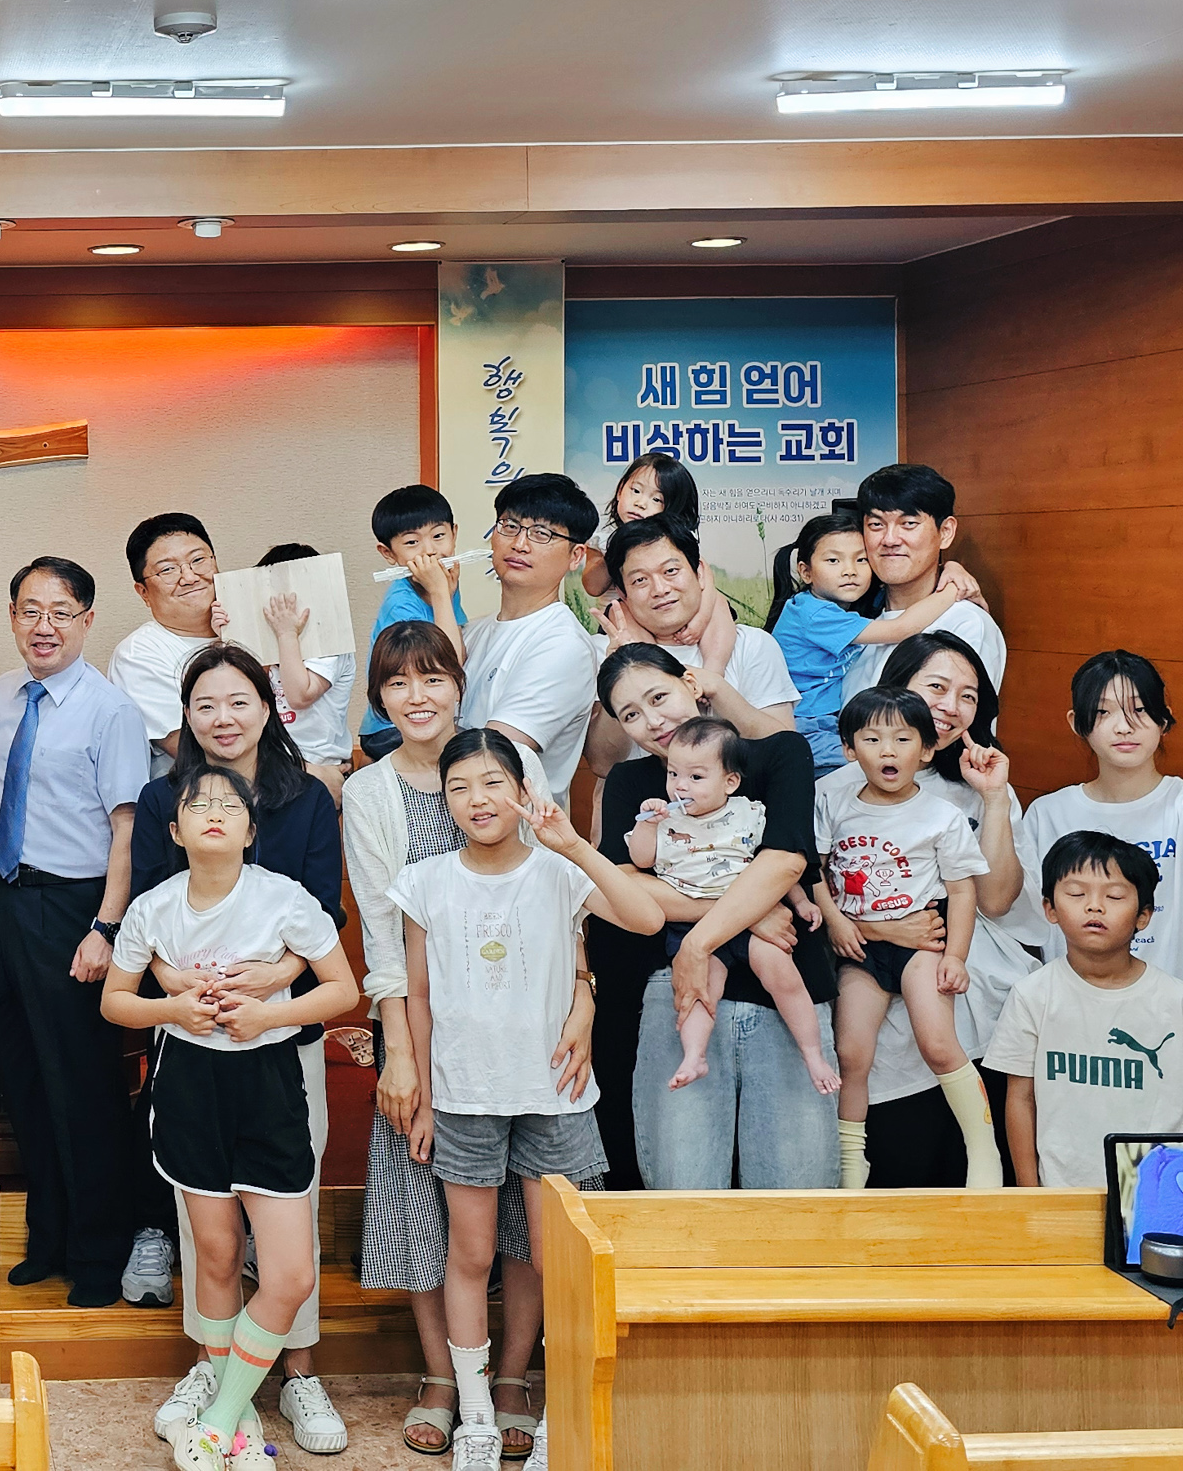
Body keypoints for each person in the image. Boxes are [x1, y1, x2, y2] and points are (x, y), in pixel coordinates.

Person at [346, 621, 595, 1456]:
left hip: (532, 1038)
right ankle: (447, 1379)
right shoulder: (372, 792)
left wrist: (586, 996)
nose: (417, 696)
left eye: (433, 678)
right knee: (436, 1216)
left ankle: (515, 1375)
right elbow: (385, 936)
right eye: (397, 683)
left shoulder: (508, 767)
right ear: (379, 699)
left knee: (531, 1228)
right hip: (426, 1036)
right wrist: (401, 1055)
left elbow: (567, 906)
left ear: (461, 684)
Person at [393, 730, 662, 1471]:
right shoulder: (425, 882)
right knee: (471, 1253)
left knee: (555, 1260)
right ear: (444, 802)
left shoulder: (558, 870)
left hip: (555, 1092)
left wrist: (572, 844)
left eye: (492, 783)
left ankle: (556, 1416)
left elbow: (645, 918)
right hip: (464, 1094)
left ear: (522, 790)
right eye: (458, 788)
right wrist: (425, 1099)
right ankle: (477, 1416)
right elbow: (418, 996)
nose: (477, 800)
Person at [107, 762, 358, 1471]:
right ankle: (239, 1419)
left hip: (269, 1083)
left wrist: (268, 1016)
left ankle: (216, 1420)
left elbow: (342, 989)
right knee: (215, 1255)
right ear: (175, 830)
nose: (213, 812)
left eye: (230, 805)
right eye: (197, 805)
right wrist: (173, 1009)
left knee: (290, 1275)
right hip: (189, 1084)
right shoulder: (154, 907)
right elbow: (115, 1002)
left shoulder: (285, 898)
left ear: (251, 831)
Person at [589, 645, 849, 1195]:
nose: (652, 720)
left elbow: (785, 862)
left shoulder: (778, 755)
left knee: (795, 1194)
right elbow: (624, 888)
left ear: (691, 684)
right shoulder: (632, 785)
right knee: (683, 1190)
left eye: (659, 697)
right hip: (679, 995)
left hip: (783, 985)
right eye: (631, 713)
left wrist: (696, 943)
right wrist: (751, 913)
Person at [0, 555, 151, 1309]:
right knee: (22, 1080)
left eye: (61, 612)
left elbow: (128, 830)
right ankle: (47, 1237)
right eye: (30, 610)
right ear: (13, 617)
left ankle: (99, 1254)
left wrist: (106, 926)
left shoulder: (111, 711)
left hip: (71, 908)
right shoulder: (1, 694)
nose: (43, 626)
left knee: (82, 1086)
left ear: (87, 621)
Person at [1008, 651, 1183, 1116]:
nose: (1124, 727)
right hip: (1084, 1048)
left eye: (1140, 710)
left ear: (1165, 719)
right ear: (1077, 723)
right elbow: (1020, 919)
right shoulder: (1048, 815)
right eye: (1104, 712)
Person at [831, 632, 1040, 1188]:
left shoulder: (974, 784)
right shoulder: (837, 790)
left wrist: (993, 798)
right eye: (937, 687)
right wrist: (881, 928)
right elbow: (814, 885)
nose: (951, 706)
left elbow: (994, 898)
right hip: (866, 969)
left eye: (968, 696)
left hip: (957, 982)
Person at [818, 685, 999, 1189]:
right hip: (860, 950)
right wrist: (836, 921)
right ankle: (851, 1162)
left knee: (939, 1045)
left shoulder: (941, 816)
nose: (888, 751)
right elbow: (814, 872)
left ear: (926, 750)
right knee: (852, 1054)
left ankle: (982, 1148)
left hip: (922, 944)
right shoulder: (834, 804)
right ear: (849, 750)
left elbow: (962, 892)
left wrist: (955, 957)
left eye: (902, 739)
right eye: (872, 739)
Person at [988, 832, 1183, 1186]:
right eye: (1077, 894)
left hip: (1156, 1192)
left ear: (1143, 916)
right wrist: (1031, 1193)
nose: (1095, 906)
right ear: (1050, 909)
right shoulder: (1031, 995)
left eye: (1115, 896)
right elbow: (1020, 1100)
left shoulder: (1180, 1002)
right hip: (1064, 1189)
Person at [629, 718, 832, 1095]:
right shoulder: (666, 820)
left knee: (783, 975)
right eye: (673, 774)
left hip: (753, 914)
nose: (680, 786)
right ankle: (695, 1056)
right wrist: (647, 825)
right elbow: (640, 861)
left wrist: (802, 901)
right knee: (700, 988)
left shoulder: (748, 812)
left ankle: (812, 1054)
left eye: (696, 777)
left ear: (730, 782)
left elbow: (774, 864)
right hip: (691, 923)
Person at [768, 507, 980, 776]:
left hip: (828, 722)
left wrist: (952, 567)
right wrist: (953, 589)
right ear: (806, 572)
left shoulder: (844, 606)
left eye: (861, 560)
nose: (850, 571)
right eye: (833, 561)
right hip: (807, 726)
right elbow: (901, 628)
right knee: (879, 765)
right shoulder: (814, 614)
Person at [584, 518, 796, 779]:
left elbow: (786, 750)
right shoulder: (603, 652)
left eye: (671, 571)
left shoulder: (752, 644)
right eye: (640, 580)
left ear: (699, 573)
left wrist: (714, 685)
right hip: (641, 803)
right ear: (623, 593)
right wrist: (619, 674)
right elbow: (603, 764)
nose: (660, 589)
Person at [461, 475, 604, 813]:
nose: (519, 544)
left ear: (576, 556)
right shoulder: (471, 632)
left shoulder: (563, 645)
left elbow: (494, 757)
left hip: (520, 835)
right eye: (510, 526)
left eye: (542, 534)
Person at [844, 464, 1007, 699]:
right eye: (876, 524)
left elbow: (953, 716)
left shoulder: (964, 623)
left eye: (908, 523)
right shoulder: (853, 614)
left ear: (946, 532)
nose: (890, 539)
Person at [357, 483, 467, 762]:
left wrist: (444, 594)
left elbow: (460, 653)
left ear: (454, 534)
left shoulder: (441, 584)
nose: (429, 551)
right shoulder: (401, 603)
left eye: (439, 536)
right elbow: (451, 663)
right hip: (389, 727)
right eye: (411, 543)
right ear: (388, 554)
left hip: (422, 714)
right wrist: (441, 594)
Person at [580, 454, 738, 645]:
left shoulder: (673, 542)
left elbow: (705, 579)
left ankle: (714, 664)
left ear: (671, 510)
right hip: (626, 617)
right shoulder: (602, 540)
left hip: (669, 616)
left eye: (656, 499)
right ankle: (652, 662)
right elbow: (593, 587)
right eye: (635, 491)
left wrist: (701, 620)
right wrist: (617, 547)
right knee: (621, 610)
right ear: (620, 491)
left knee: (718, 601)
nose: (640, 503)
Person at [113, 513, 225, 772]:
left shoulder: (254, 629)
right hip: (207, 793)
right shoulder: (138, 654)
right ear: (143, 592)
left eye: (198, 560)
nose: (189, 577)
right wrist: (305, 772)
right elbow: (201, 752)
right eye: (167, 570)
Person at [250, 543, 352, 792]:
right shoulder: (271, 647)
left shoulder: (330, 645)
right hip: (276, 764)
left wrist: (287, 634)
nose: (282, 609)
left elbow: (299, 695)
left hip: (321, 766)